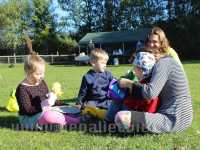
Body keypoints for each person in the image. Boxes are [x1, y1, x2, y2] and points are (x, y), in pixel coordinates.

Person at [115, 45, 193, 133]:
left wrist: (128, 83)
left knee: (121, 116)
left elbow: (150, 93)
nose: (152, 45)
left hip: (173, 119)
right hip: (179, 117)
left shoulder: (164, 63)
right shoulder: (167, 62)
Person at [16, 52, 79, 129]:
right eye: (38, 74)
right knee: (50, 116)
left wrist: (68, 105)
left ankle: (58, 123)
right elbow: (28, 111)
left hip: (46, 110)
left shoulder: (41, 82)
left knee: (66, 109)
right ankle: (76, 121)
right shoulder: (22, 89)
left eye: (43, 73)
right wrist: (43, 105)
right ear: (28, 73)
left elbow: (50, 101)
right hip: (30, 119)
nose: (41, 76)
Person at [105, 51, 160, 123]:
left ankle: (108, 121)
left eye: (135, 68)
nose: (133, 70)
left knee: (116, 102)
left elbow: (149, 108)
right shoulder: (145, 83)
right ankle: (109, 119)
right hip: (134, 110)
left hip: (137, 115)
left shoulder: (146, 87)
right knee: (118, 100)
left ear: (141, 70)